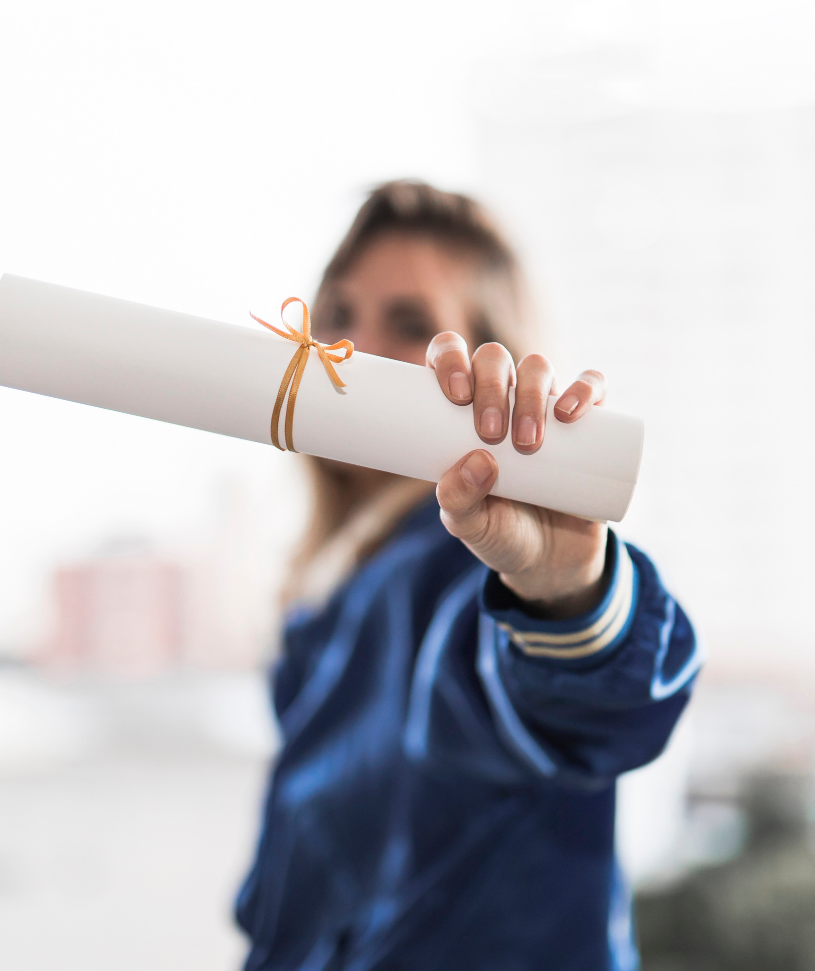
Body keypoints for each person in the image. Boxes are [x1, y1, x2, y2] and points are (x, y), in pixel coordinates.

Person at [235, 181, 700, 971]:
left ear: (487, 374)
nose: (354, 353)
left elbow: (585, 701)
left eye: (411, 325)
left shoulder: (462, 572)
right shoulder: (329, 598)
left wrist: (564, 594)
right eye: (339, 315)